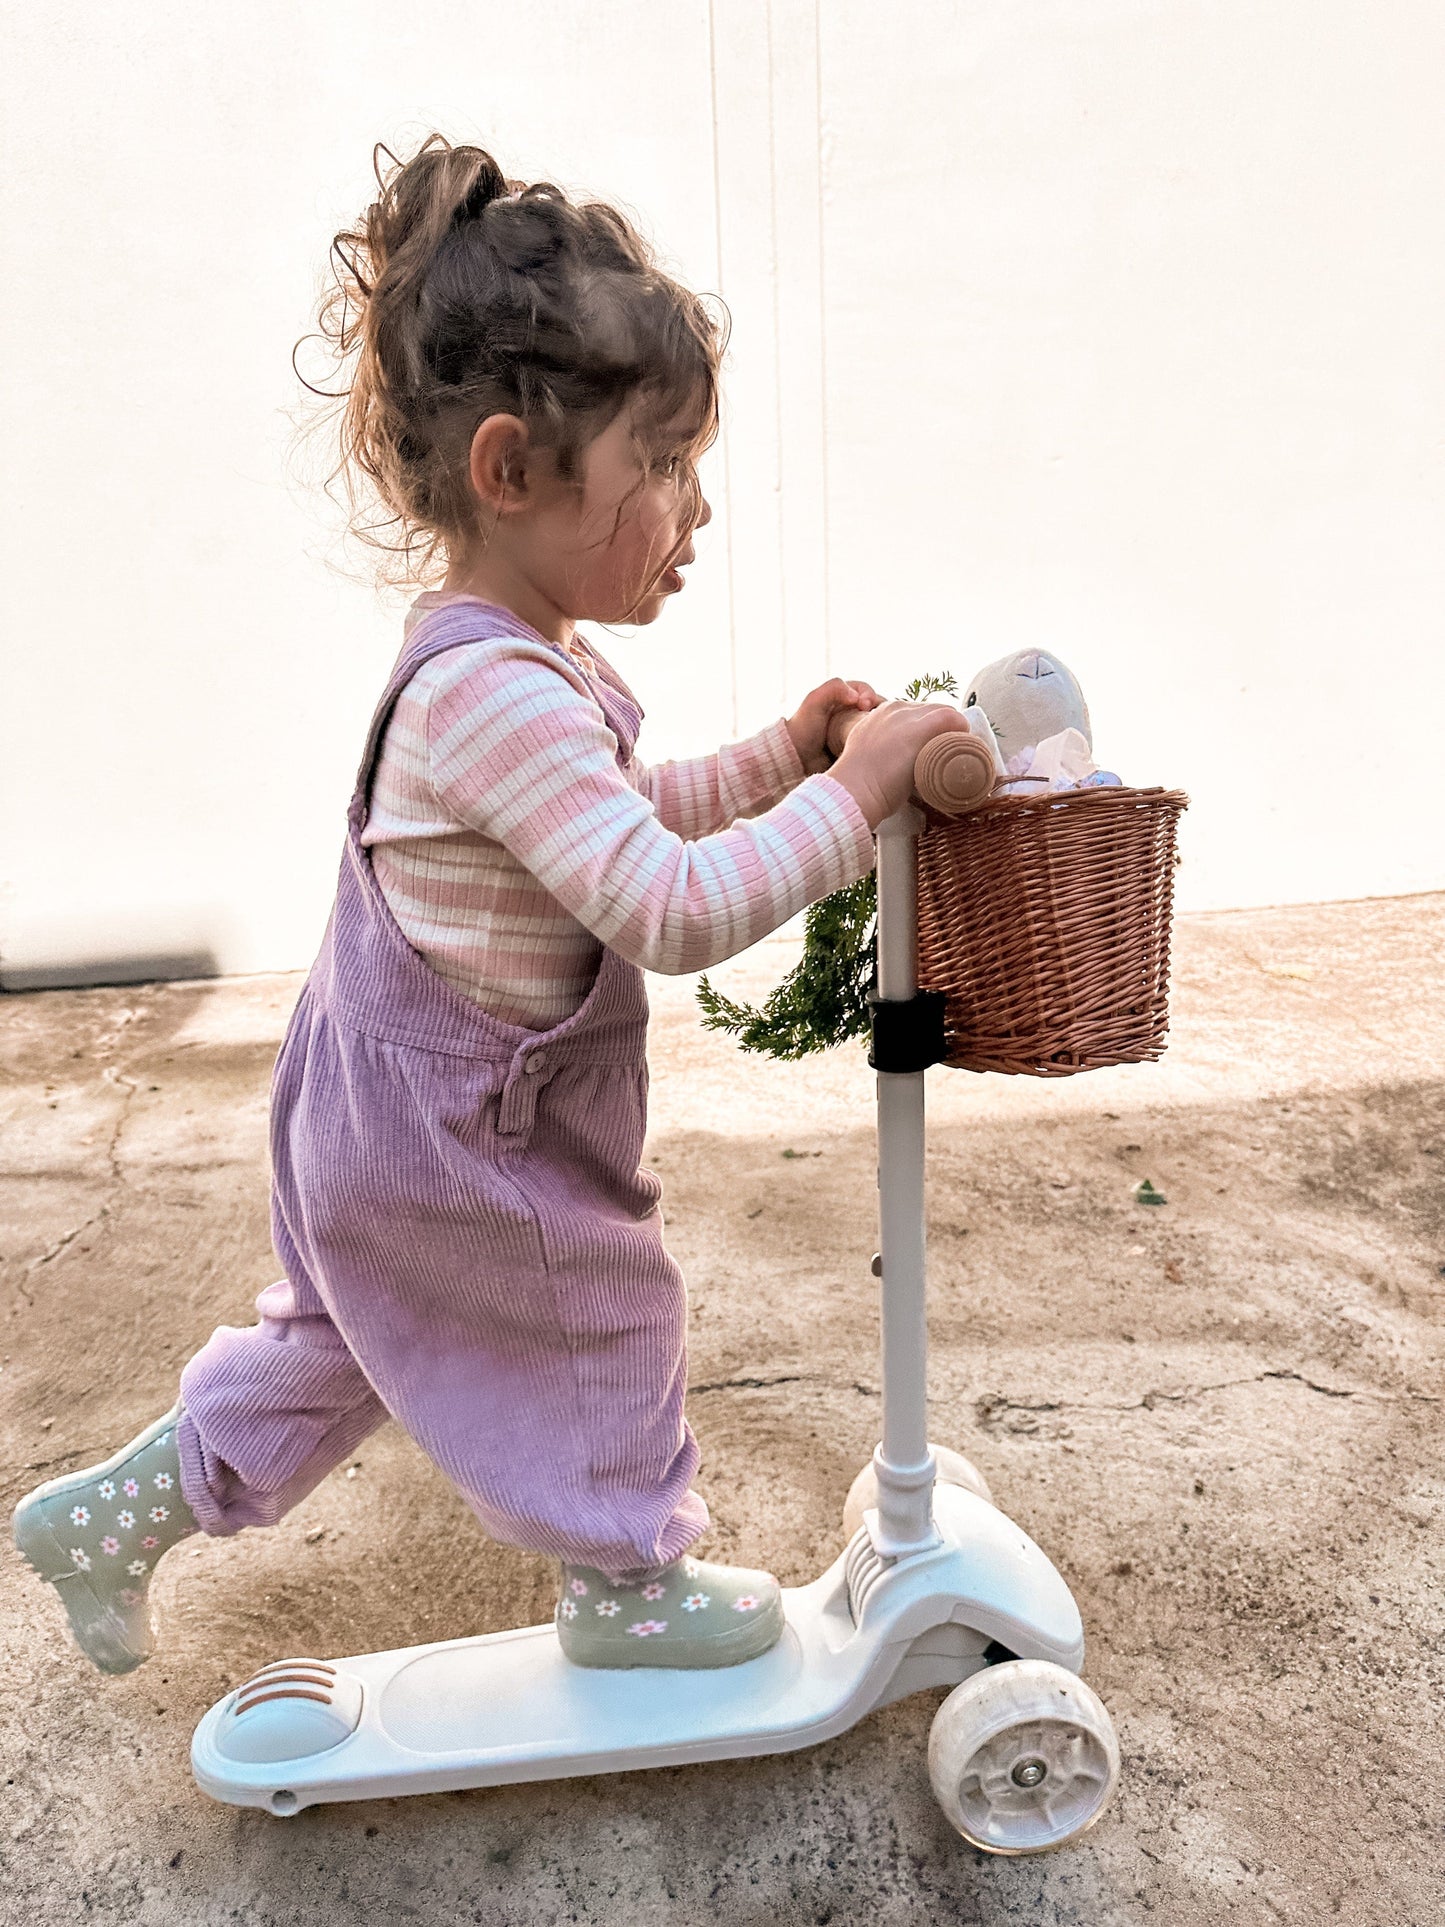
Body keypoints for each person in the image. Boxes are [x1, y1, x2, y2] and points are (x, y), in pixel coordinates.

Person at [13, 137, 967, 1675]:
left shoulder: (505, 668)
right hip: (461, 1142)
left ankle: (124, 1509)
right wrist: (853, 806)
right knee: (601, 1321)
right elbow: (660, 907)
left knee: (343, 1350)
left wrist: (785, 756)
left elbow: (616, 831)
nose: (692, 509)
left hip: (376, 1126)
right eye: (657, 466)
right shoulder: (494, 693)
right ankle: (627, 1588)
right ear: (511, 470)